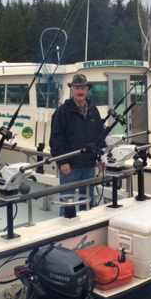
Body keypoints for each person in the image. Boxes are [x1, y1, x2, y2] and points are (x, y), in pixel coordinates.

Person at [49, 74, 106, 215]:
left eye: (83, 88)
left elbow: (100, 136)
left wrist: (101, 158)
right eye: (77, 88)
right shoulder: (62, 111)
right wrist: (62, 162)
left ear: (87, 90)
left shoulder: (94, 110)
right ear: (72, 90)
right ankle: (65, 232)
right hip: (70, 168)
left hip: (89, 167)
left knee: (88, 203)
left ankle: (87, 230)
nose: (80, 91)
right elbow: (56, 140)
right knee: (67, 203)